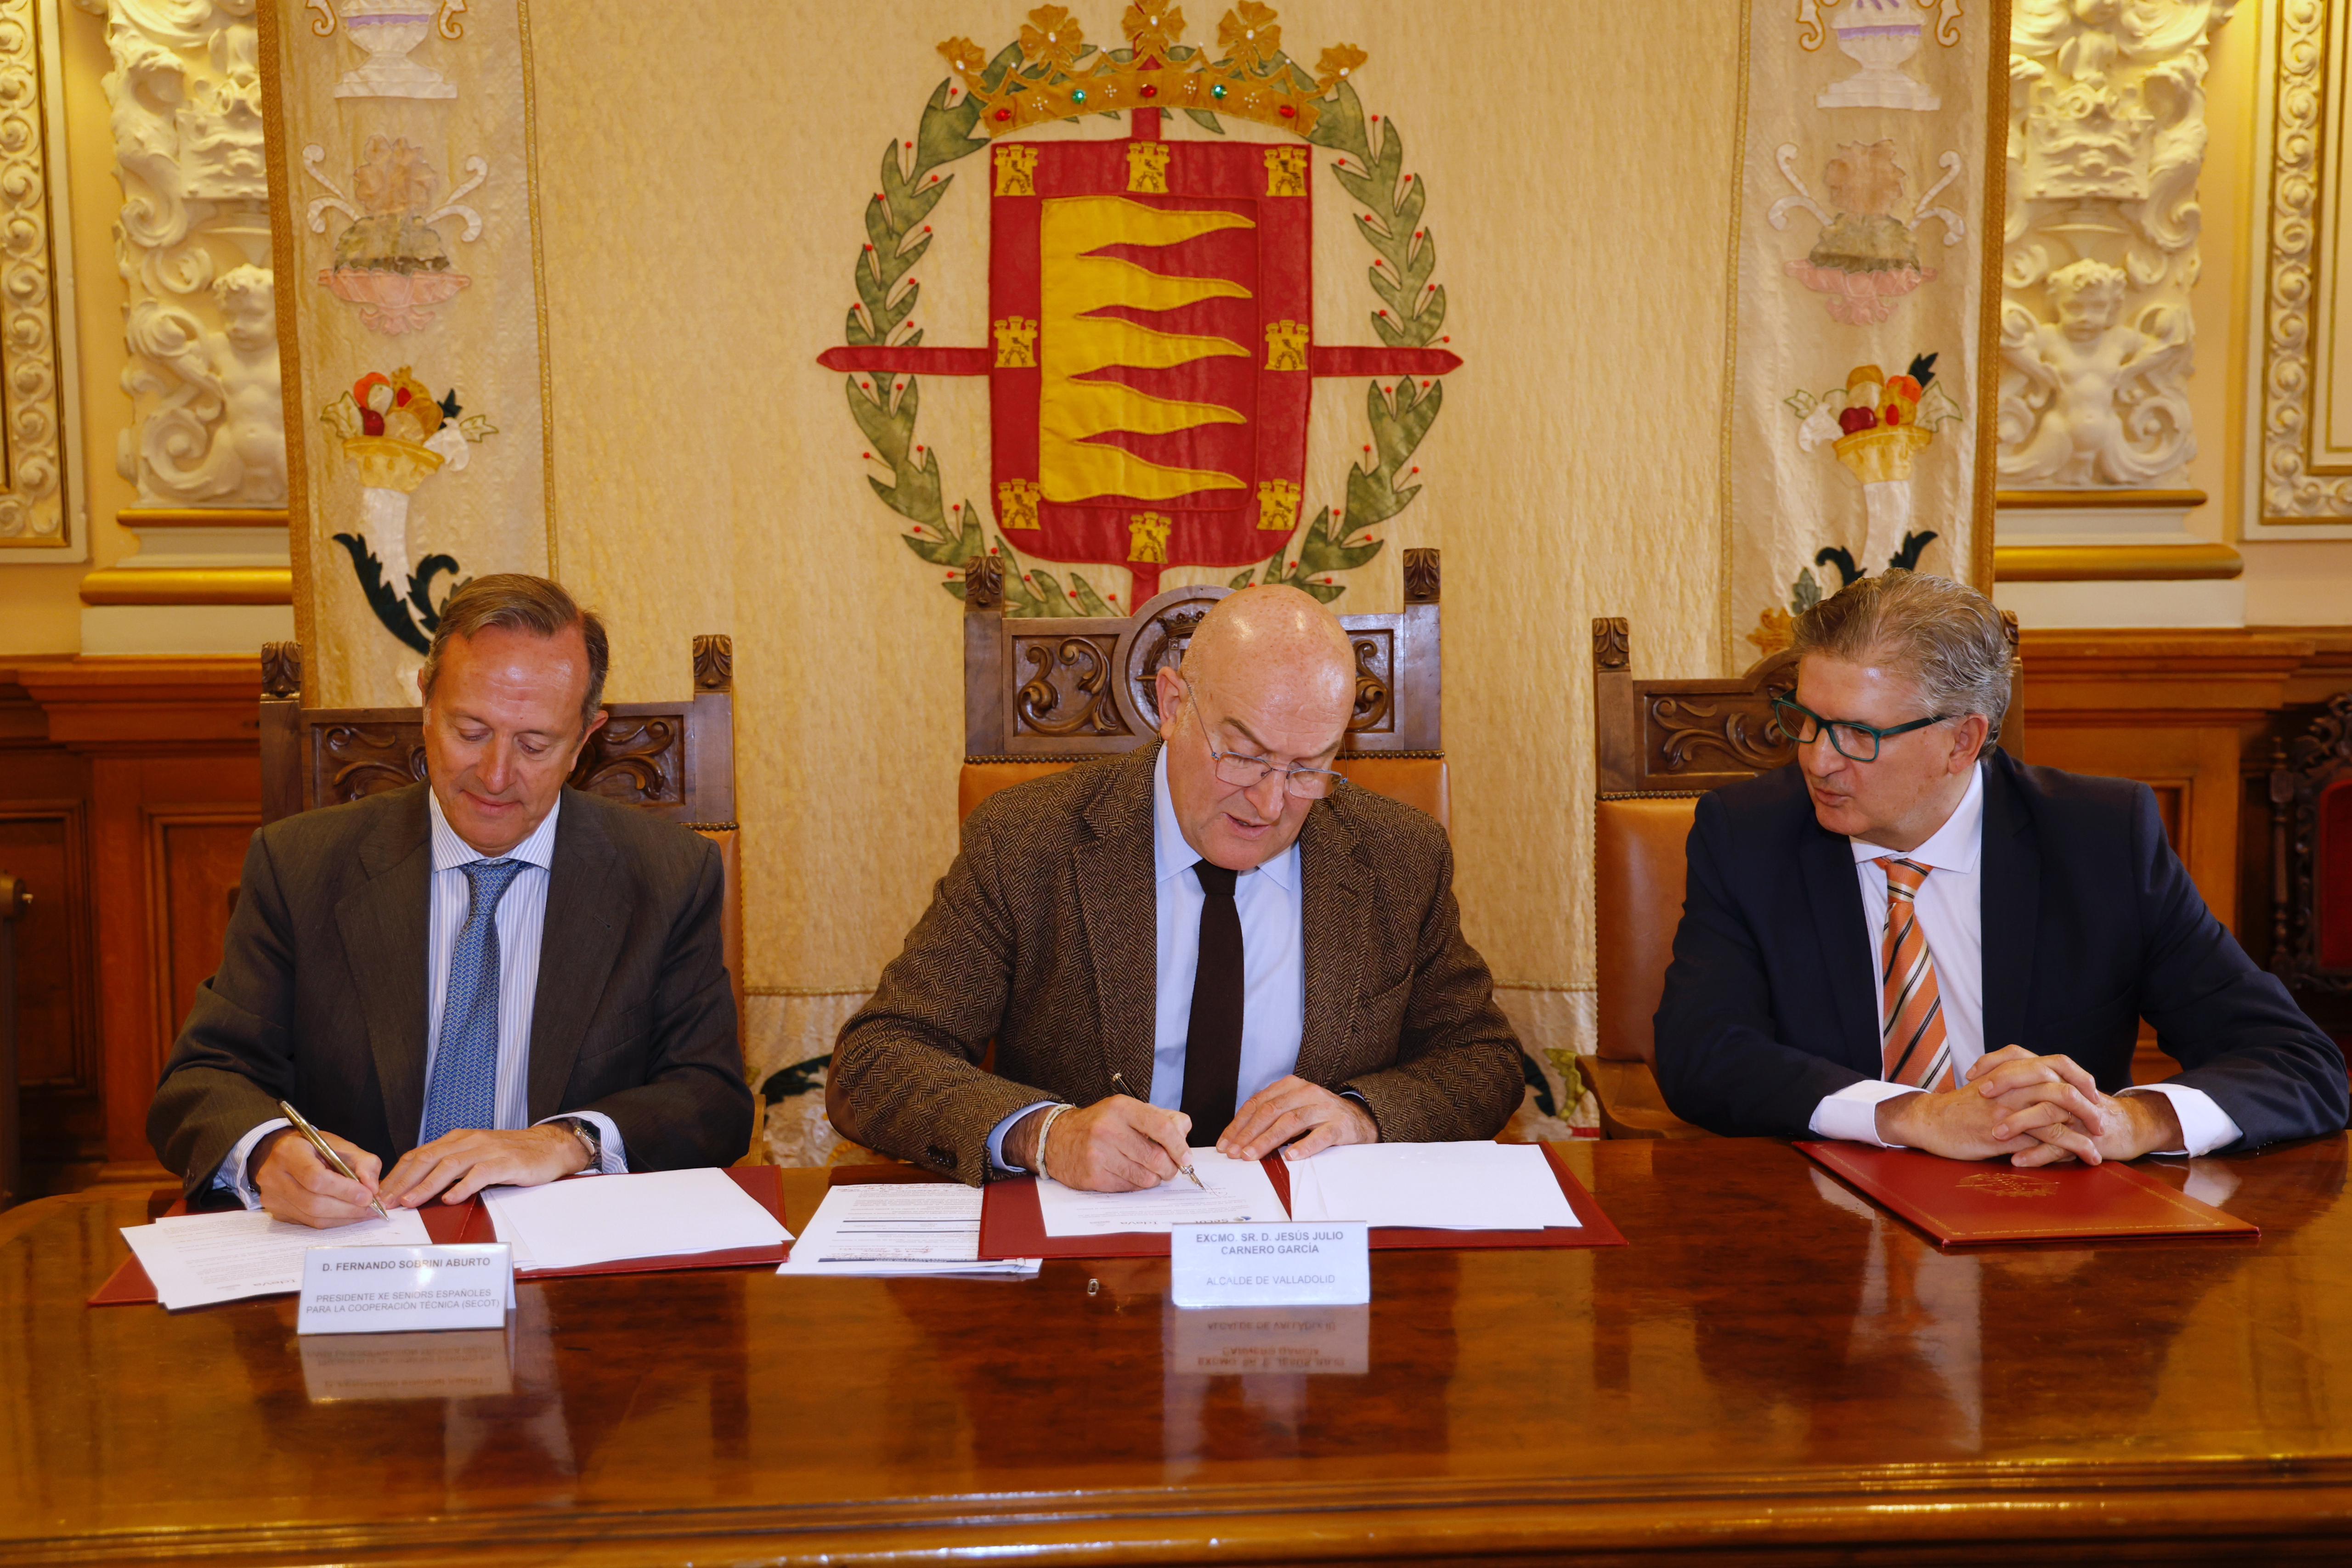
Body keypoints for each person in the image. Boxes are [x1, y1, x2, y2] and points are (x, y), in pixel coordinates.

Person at [829, 584, 1523, 1189]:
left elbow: (1484, 1060)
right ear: (1172, 704)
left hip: (1307, 1252)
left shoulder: (1399, 857)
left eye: (1308, 768)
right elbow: (875, 1061)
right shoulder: (1027, 843)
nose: (1270, 803)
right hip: (1093, 1256)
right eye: (1243, 755)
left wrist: (1364, 1115)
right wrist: (1045, 1135)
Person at [1654, 570, 2345, 1162]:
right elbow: (1702, 1054)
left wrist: (2130, 1122)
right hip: (1824, 1224)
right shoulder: (1748, 834)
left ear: (1962, 742)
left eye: (1857, 734)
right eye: (1805, 719)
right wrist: (1914, 1116)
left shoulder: (2100, 839)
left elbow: (2298, 1063)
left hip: (2049, 1234)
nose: (1817, 758)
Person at [148, 575, 751, 1226]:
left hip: (565, 1245)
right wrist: (271, 1152)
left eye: (534, 744)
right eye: (470, 731)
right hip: (361, 1241)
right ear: (426, 706)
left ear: (584, 740)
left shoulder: (665, 875)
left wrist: (567, 1142)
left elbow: (711, 1099)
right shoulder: (302, 865)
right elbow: (204, 1079)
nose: (495, 775)